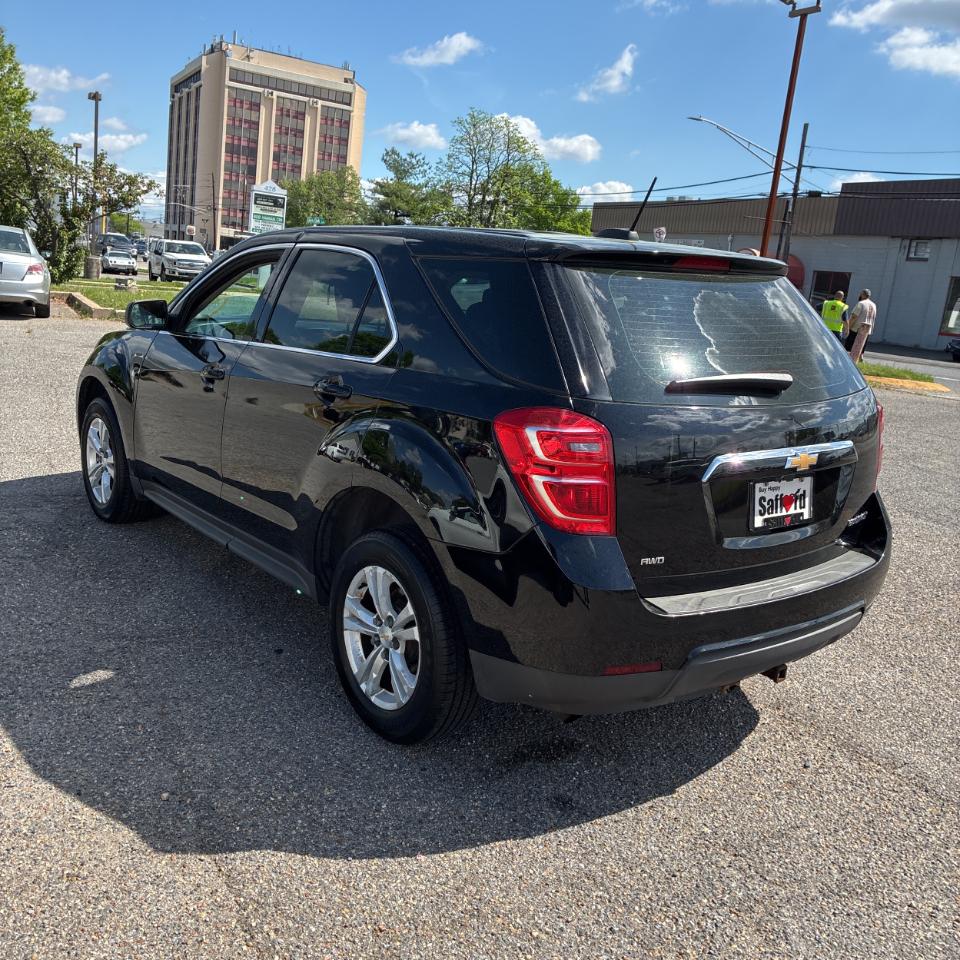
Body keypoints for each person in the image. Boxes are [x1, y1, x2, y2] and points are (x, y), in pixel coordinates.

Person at [846, 289, 877, 363]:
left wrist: (848, 327)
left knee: (849, 348)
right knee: (861, 347)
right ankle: (859, 358)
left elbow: (854, 316)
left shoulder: (861, 303)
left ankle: (849, 361)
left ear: (862, 295)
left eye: (860, 294)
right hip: (867, 330)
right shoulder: (873, 305)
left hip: (856, 329)